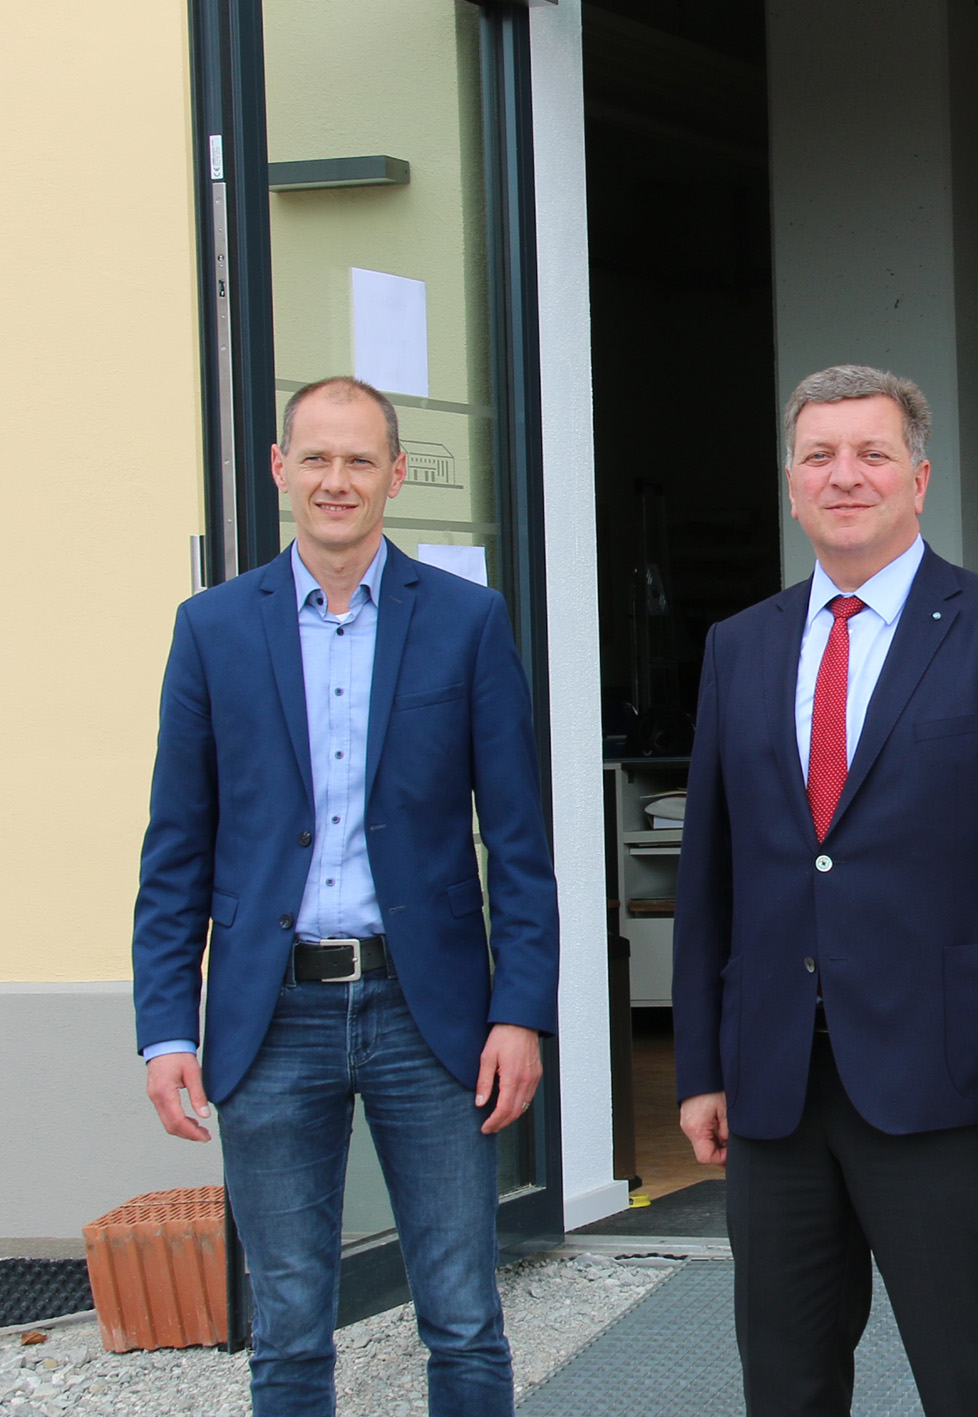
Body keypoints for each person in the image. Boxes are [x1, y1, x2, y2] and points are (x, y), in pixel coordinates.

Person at [672, 364, 978, 1417]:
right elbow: (710, 876)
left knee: (972, 1374)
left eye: (870, 453)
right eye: (820, 454)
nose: (844, 475)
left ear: (918, 476)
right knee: (785, 1377)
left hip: (940, 1079)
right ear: (791, 481)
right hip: (774, 1082)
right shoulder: (740, 647)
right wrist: (699, 1067)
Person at [134, 376, 558, 1417]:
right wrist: (163, 1028)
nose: (336, 480)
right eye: (316, 458)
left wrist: (521, 1011)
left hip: (432, 1018)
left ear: (396, 475)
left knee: (462, 1317)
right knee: (286, 1329)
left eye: (360, 459)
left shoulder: (464, 623)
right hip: (268, 1016)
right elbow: (176, 848)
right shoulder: (213, 629)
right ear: (280, 469)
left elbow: (519, 844)